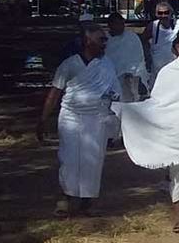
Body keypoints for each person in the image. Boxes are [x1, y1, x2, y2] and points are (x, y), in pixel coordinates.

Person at [119, 27, 179, 233]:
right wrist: (128, 110)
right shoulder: (168, 72)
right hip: (178, 133)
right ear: (177, 48)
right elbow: (159, 103)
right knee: (178, 175)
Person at [38, 23, 120, 218]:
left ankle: (87, 201)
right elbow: (55, 93)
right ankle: (65, 198)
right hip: (71, 117)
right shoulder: (69, 64)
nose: (105, 43)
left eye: (105, 40)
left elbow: (115, 91)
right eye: (101, 39)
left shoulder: (107, 64)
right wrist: (43, 119)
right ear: (87, 41)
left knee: (93, 160)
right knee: (69, 158)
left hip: (97, 118)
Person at [104, 13, 148, 102]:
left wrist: (133, 72)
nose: (120, 26)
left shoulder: (132, 37)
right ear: (110, 25)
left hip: (132, 76)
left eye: (122, 24)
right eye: (116, 24)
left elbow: (139, 58)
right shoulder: (104, 40)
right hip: (111, 77)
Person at [143, 1, 179, 86]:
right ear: (156, 14)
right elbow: (144, 40)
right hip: (157, 68)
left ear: (171, 13)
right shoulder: (153, 26)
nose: (163, 15)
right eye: (160, 13)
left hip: (175, 67)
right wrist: (148, 55)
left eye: (166, 12)